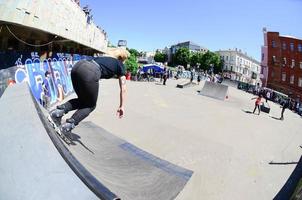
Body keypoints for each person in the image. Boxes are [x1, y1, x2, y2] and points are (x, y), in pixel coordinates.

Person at [49, 48, 130, 135]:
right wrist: (122, 106)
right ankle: (66, 127)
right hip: (90, 71)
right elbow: (123, 88)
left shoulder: (104, 59)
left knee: (83, 100)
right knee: (90, 105)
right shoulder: (119, 64)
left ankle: (57, 113)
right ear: (122, 58)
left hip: (77, 67)